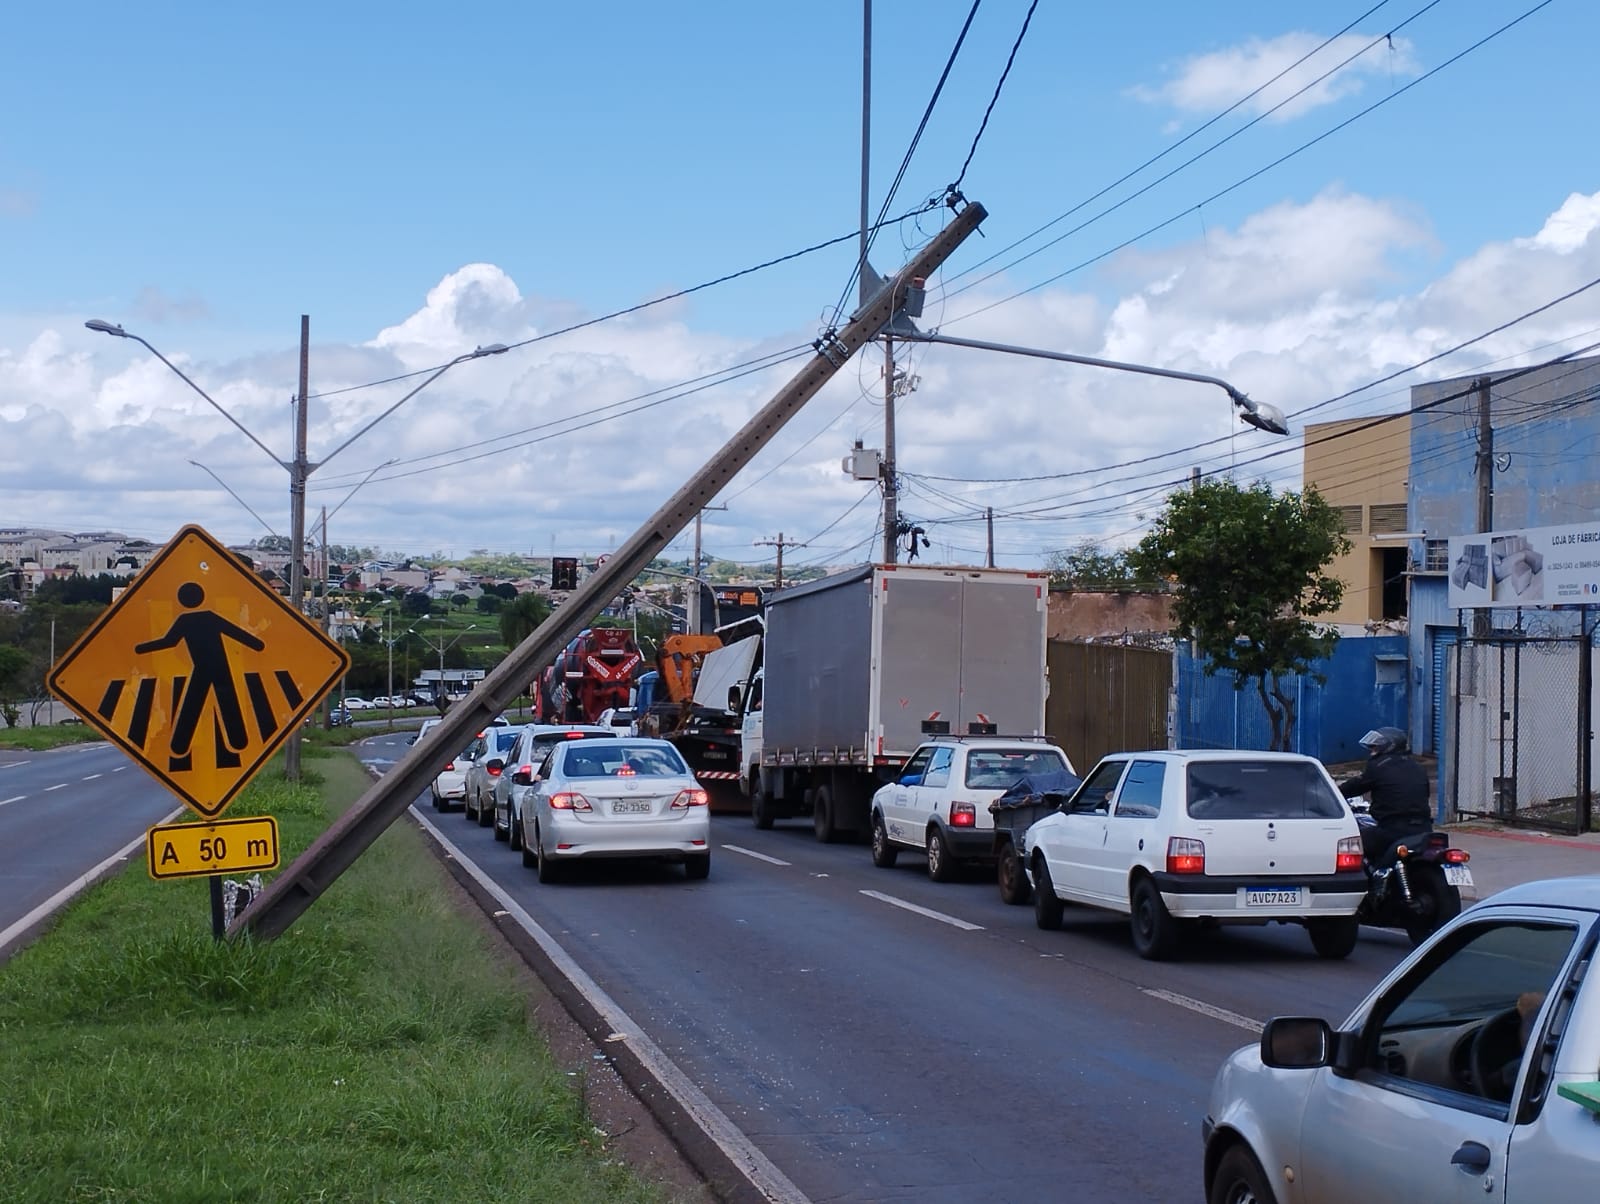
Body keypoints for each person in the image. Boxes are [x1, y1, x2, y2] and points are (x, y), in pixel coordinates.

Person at [1339, 727, 1434, 861]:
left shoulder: (1379, 767)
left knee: (1350, 843)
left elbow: (1353, 787)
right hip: (1424, 828)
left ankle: (1369, 878)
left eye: (1375, 748)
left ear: (1389, 746)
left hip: (1393, 830)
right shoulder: (1418, 767)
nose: (1372, 752)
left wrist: (1333, 795)